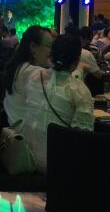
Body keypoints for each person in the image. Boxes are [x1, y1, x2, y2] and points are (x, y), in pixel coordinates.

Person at [21, 35, 94, 173]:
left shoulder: (35, 77)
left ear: (51, 55)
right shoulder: (79, 90)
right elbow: (83, 137)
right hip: (58, 167)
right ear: (77, 61)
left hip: (26, 157)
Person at [4, 26, 53, 126]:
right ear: (33, 47)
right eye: (49, 46)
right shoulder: (34, 73)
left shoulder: (18, 67)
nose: (52, 51)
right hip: (27, 131)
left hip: (14, 126)